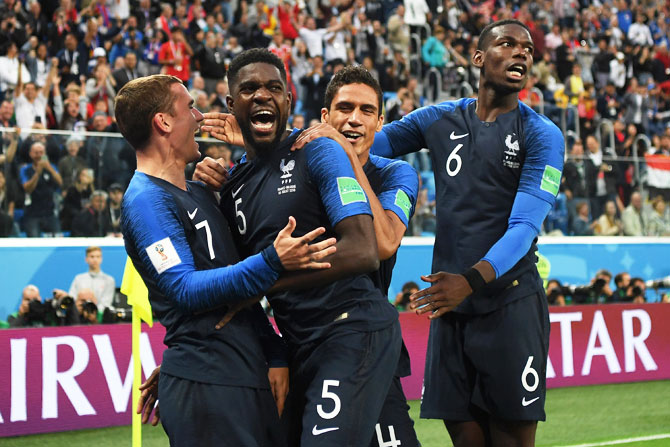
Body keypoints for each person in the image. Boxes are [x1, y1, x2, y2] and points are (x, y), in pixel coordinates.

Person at [365, 19, 564, 447]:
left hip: (508, 305)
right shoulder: (439, 119)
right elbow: (365, 144)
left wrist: (470, 281)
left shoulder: (542, 135)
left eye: (527, 49)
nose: (521, 54)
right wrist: (274, 143)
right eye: (507, 44)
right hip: (451, 309)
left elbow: (525, 227)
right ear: (478, 58)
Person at [114, 74, 335, 446]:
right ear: (163, 122)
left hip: (244, 374)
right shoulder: (145, 202)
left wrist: (274, 350)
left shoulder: (200, 192)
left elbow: (235, 295)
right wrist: (273, 260)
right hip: (208, 386)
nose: (200, 117)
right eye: (190, 107)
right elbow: (184, 289)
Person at [198, 49, 402, 446]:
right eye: (249, 88)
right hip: (296, 344)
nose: (262, 96)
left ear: (288, 101)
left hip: (350, 330)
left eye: (274, 88)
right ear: (230, 104)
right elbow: (227, 277)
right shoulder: (230, 186)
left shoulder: (318, 150)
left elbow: (363, 249)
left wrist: (263, 282)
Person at [20, 141, 62, 237]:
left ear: (45, 154)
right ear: (30, 154)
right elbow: (27, 189)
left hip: (49, 213)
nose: (39, 155)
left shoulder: (52, 167)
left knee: (59, 240)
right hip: (32, 214)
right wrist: (37, 173)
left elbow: (60, 183)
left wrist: (49, 168)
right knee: (34, 243)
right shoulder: (25, 169)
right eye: (36, 152)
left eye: (41, 152)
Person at [67, 246, 116, 312]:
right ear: (86, 259)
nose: (95, 259)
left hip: (100, 316)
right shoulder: (78, 279)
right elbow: (72, 298)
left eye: (98, 256)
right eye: (92, 257)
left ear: (101, 259)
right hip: (80, 315)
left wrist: (93, 311)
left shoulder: (109, 280)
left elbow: (106, 303)